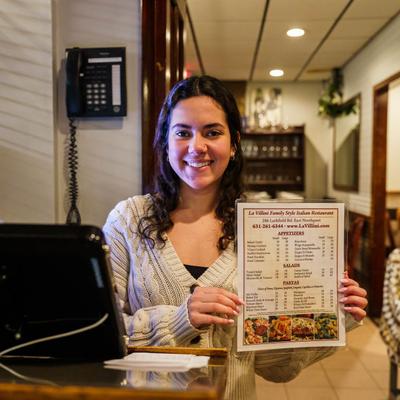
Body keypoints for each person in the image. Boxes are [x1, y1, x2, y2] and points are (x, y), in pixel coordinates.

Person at [103, 75, 368, 400]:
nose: (197, 146)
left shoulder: (262, 229)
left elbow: (276, 368)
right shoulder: (128, 220)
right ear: (165, 141)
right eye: (183, 133)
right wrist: (180, 319)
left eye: (212, 132)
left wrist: (333, 316)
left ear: (233, 143)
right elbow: (102, 334)